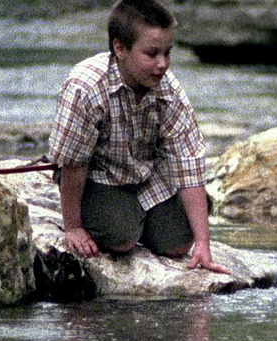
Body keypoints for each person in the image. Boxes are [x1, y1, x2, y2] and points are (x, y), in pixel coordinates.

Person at [48, 0, 230, 274]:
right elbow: (74, 162)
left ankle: (142, 219)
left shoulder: (169, 91)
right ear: (120, 48)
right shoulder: (86, 88)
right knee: (121, 238)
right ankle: (125, 218)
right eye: (152, 54)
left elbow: (189, 161)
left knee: (179, 243)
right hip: (98, 177)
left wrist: (203, 244)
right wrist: (73, 226)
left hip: (147, 176)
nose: (163, 64)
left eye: (168, 53)